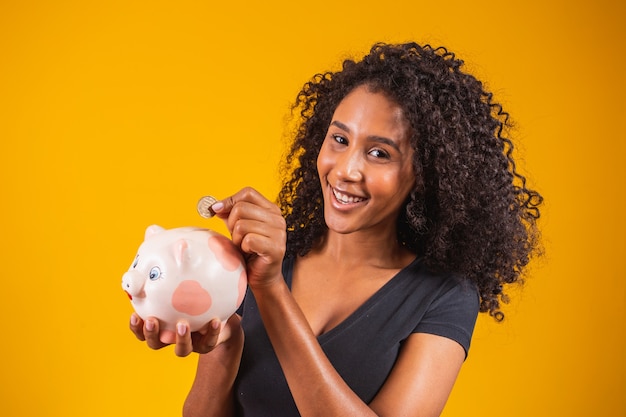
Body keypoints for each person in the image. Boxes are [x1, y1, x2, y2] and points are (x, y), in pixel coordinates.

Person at [129, 42, 543, 416]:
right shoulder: (260, 259)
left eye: (379, 153)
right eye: (339, 140)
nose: (346, 171)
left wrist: (271, 290)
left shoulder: (443, 296)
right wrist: (222, 348)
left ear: (425, 174)